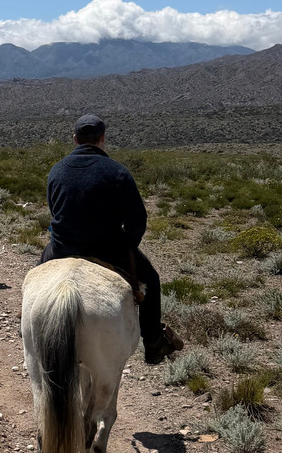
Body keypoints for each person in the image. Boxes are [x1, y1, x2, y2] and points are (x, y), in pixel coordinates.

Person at [41, 114, 183, 364]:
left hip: (62, 247)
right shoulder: (117, 172)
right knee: (152, 280)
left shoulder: (56, 170)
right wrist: (127, 246)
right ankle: (153, 343)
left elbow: (55, 210)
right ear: (103, 138)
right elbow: (138, 219)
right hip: (108, 250)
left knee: (39, 275)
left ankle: (27, 321)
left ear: (75, 139)